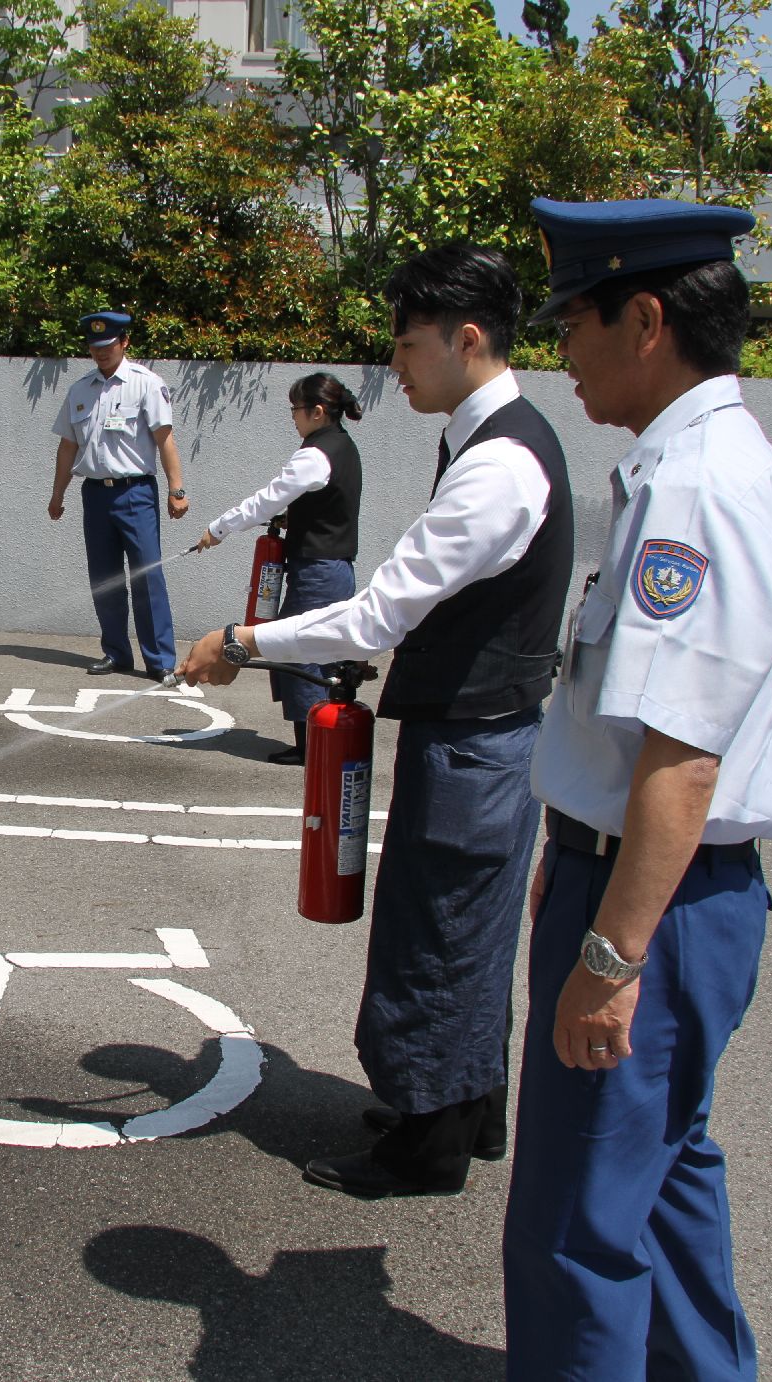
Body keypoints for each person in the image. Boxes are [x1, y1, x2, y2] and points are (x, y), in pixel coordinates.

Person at [503, 197, 772, 1381]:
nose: (563, 351)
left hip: (655, 902)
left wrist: (609, 952)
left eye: (575, 323)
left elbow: (682, 759)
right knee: (663, 1181)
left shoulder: (695, 486)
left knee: (576, 1227)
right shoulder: (716, 466)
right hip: (667, 894)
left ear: (645, 321)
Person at [179, 244, 574, 1198]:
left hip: (475, 745)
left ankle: (425, 1147)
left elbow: (376, 613)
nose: (392, 366)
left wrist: (239, 641)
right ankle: (466, 1113)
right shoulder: (494, 439)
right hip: (482, 732)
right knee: (463, 933)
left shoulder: (498, 463)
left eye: (405, 343)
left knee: (436, 935)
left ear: (465, 339)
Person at [194, 372, 364, 766]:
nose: (293, 417)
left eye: (295, 409)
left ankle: (311, 747)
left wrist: (218, 529)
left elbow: (266, 501)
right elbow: (327, 505)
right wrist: (296, 519)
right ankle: (322, 741)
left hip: (317, 572)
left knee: (300, 651)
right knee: (322, 652)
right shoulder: (343, 446)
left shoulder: (315, 454)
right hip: (334, 568)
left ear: (317, 412)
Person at [49, 311, 189, 684]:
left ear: (124, 342)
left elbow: (165, 439)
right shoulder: (80, 390)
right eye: (95, 347)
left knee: (147, 576)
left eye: (108, 345)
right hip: (95, 495)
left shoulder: (146, 384)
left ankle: (160, 660)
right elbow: (67, 447)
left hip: (135, 493)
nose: (101, 352)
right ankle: (116, 652)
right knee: (104, 578)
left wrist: (176, 488)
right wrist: (57, 493)